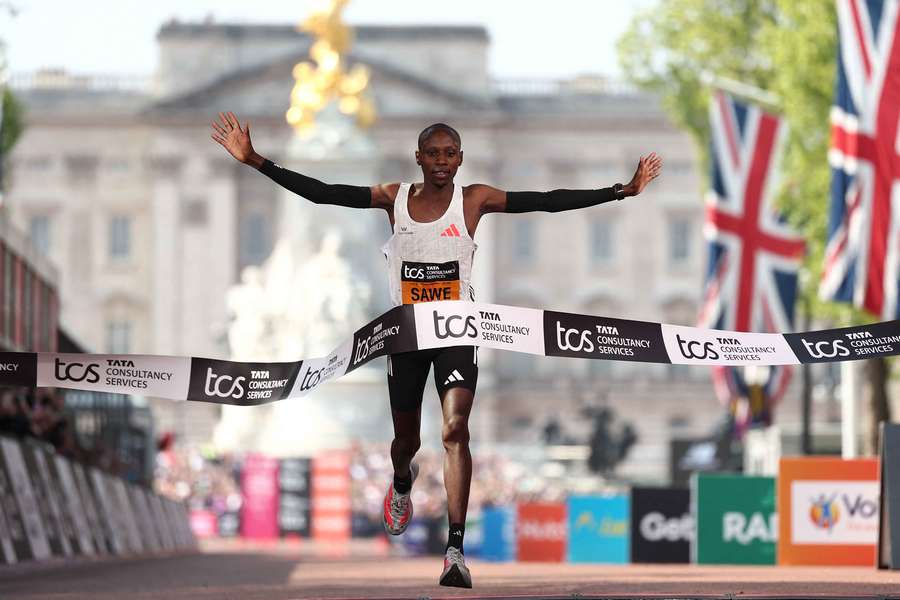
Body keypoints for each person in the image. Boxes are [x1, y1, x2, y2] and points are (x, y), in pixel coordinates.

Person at [211, 111, 661, 588]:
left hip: (457, 331)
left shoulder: (475, 200)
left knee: (455, 430)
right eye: (433, 154)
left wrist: (621, 190)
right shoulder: (394, 198)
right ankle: (401, 481)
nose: (442, 162)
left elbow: (546, 201)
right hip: (407, 335)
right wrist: (255, 160)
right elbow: (325, 193)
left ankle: (455, 549)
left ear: (460, 159)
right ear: (419, 158)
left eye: (450, 154)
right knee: (405, 443)